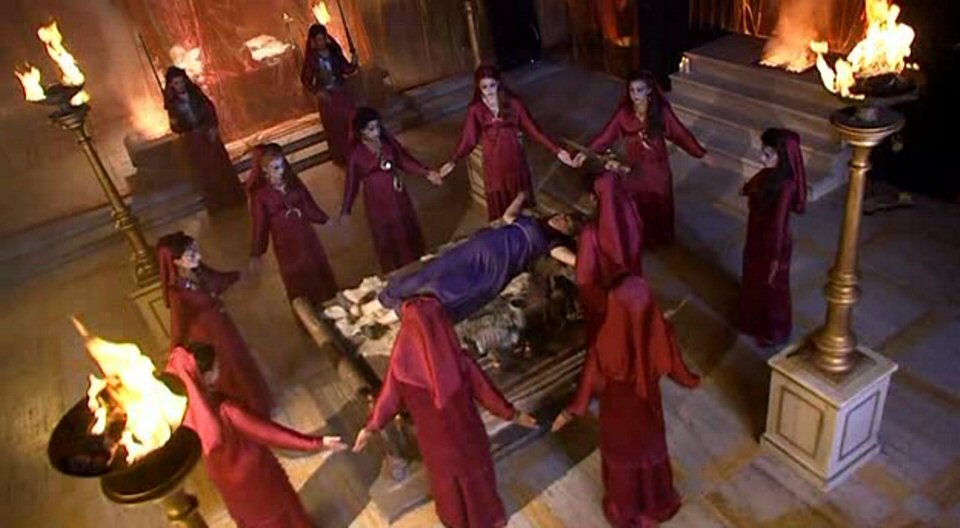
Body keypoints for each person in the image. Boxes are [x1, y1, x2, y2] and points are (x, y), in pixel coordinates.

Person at [552, 173, 700, 527]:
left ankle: (625, 509)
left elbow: (588, 382)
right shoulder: (658, 331)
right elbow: (677, 365)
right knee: (650, 450)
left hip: (617, 399)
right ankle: (656, 501)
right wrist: (692, 380)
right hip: (646, 386)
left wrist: (570, 412)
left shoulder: (605, 343)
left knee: (622, 455)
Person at [353, 296, 537, 528]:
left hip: (435, 446)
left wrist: (370, 428)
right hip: (469, 439)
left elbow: (387, 401)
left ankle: (455, 521)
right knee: (477, 483)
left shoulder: (401, 368)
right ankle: (486, 520)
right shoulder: (460, 360)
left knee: (447, 486)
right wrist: (514, 415)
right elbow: (488, 394)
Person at [166, 343, 347, 528]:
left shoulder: (189, 412)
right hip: (255, 475)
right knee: (278, 511)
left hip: (226, 480)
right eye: (216, 366)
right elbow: (269, 433)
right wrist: (317, 442)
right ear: (206, 376)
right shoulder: (226, 409)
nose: (219, 367)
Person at [378, 191, 578, 323]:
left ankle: (395, 315)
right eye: (563, 214)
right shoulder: (530, 221)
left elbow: (575, 260)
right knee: (434, 270)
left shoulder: (551, 243)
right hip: (476, 248)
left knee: (450, 292)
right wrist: (520, 196)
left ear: (566, 233)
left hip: (494, 268)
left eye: (566, 221)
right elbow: (508, 216)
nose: (561, 217)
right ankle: (386, 299)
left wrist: (590, 246)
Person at [584, 71, 707, 249]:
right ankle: (640, 240)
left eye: (639, 90)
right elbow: (606, 135)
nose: (635, 95)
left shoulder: (660, 111)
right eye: (632, 90)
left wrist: (700, 153)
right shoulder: (624, 113)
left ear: (649, 90)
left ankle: (662, 242)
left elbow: (680, 133)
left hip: (657, 169)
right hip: (635, 169)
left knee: (660, 204)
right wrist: (587, 152)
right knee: (638, 204)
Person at [157, 231, 274, 417]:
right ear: (177, 261)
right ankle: (243, 410)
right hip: (209, 334)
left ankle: (257, 404)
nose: (197, 256)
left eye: (195, 250)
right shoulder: (177, 292)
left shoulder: (199, 272)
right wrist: (174, 352)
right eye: (191, 254)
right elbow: (179, 326)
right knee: (227, 369)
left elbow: (219, 280)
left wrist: (241, 274)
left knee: (240, 361)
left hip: (223, 326)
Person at [440, 64, 578, 220]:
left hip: (514, 160)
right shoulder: (476, 109)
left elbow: (534, 131)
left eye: (492, 85)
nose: (489, 90)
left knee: (519, 202)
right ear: (478, 88)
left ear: (498, 83)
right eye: (484, 87)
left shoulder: (514, 103)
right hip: (494, 165)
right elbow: (469, 138)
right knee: (500, 207)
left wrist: (557, 150)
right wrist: (453, 160)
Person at [341, 107, 443, 273]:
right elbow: (351, 184)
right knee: (387, 231)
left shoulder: (387, 144)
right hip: (377, 199)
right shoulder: (356, 155)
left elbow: (404, 161)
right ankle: (396, 268)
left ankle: (414, 262)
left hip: (397, 194)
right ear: (361, 132)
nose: (376, 132)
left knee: (404, 225)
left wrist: (427, 173)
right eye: (371, 129)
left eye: (377, 127)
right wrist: (346, 210)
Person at [247, 143, 338, 305]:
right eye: (275, 168)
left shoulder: (292, 182)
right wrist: (256, 253)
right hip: (286, 241)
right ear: (265, 169)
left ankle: (329, 300)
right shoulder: (260, 196)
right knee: (298, 273)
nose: (281, 171)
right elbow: (260, 225)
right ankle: (307, 307)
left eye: (282, 166)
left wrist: (325, 219)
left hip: (305, 233)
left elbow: (308, 204)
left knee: (315, 264)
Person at [739, 128, 806, 347]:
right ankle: (752, 321)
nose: (762, 158)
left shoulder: (786, 186)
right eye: (763, 152)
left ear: (783, 157)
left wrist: (775, 256)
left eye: (768, 154)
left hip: (773, 242)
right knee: (754, 278)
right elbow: (750, 188)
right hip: (757, 234)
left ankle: (775, 329)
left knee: (773, 287)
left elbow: (779, 224)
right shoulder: (769, 174)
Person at [163, 67, 245, 212]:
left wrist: (212, 126)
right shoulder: (172, 104)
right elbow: (177, 127)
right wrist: (176, 124)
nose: (180, 86)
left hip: (208, 133)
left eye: (181, 82)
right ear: (171, 85)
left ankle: (233, 198)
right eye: (176, 83)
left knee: (221, 167)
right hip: (194, 140)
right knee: (206, 173)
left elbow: (210, 109)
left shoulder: (196, 94)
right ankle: (218, 204)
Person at [301, 23, 357, 166]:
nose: (322, 42)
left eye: (323, 38)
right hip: (327, 99)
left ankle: (355, 152)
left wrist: (354, 63)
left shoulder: (334, 53)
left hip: (342, 93)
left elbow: (346, 69)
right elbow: (306, 80)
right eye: (318, 39)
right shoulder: (312, 59)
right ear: (313, 41)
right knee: (335, 129)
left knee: (350, 122)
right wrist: (317, 91)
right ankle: (341, 157)